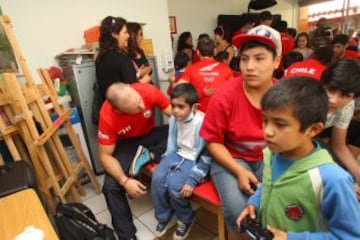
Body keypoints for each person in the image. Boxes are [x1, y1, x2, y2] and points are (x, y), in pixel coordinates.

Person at [236, 77, 360, 239]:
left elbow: (350, 236)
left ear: (313, 129)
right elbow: (267, 184)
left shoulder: (332, 179)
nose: (268, 131)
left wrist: (291, 238)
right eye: (265, 120)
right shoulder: (272, 153)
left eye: (280, 124)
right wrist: (255, 202)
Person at [201, 25, 282, 240]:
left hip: (270, 157)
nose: (249, 66)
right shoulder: (225, 95)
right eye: (244, 59)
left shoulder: (284, 96)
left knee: (281, 206)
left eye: (259, 58)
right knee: (239, 212)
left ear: (277, 61)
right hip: (230, 157)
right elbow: (213, 141)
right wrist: (238, 170)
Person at [97, 82, 171, 240]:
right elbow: (105, 156)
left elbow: (175, 113)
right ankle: (127, 235)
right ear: (118, 110)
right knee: (110, 187)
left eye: (140, 101)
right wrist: (124, 181)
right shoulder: (107, 115)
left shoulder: (147, 91)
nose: (143, 107)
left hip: (151, 135)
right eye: (137, 108)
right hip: (127, 144)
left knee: (175, 130)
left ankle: (148, 155)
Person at [151, 83, 211, 240]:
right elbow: (171, 145)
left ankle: (186, 218)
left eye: (181, 106)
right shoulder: (174, 119)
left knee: (175, 186)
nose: (175, 110)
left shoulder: (203, 122)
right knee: (157, 179)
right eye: (173, 106)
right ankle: (163, 216)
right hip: (178, 154)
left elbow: (206, 156)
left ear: (194, 107)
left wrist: (192, 180)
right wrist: (164, 164)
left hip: (195, 160)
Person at [317, 59, 360, 196]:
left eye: (345, 95)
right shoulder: (307, 98)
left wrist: (357, 174)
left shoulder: (347, 106)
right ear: (323, 83)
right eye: (331, 90)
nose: (334, 100)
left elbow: (339, 146)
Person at [95, 16, 150, 100]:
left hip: (110, 106)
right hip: (124, 107)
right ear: (115, 34)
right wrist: (144, 80)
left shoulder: (100, 57)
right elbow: (132, 90)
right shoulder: (122, 59)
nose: (128, 36)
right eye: (125, 33)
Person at [179, 37, 233, 112]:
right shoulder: (226, 68)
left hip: (199, 116)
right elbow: (234, 91)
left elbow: (179, 89)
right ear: (214, 51)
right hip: (221, 113)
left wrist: (200, 93)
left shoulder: (191, 69)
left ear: (197, 52)